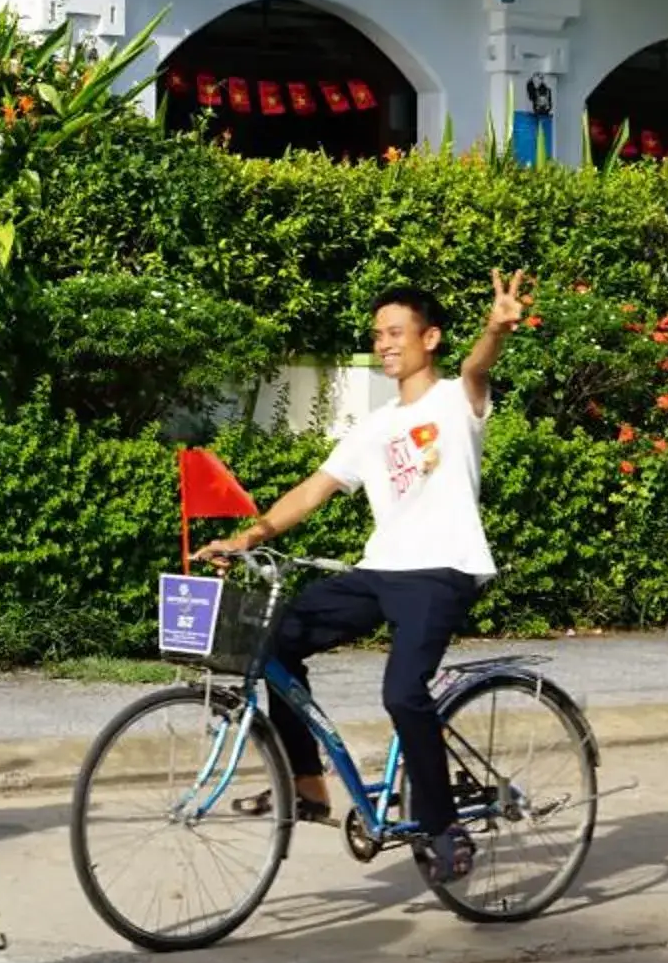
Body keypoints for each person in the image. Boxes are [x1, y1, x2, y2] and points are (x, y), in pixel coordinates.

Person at [197, 271, 534, 887]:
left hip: (442, 571)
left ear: (429, 338)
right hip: (380, 569)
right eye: (378, 334)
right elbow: (314, 491)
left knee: (402, 693)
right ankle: (308, 789)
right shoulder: (375, 426)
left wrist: (495, 328)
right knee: (274, 643)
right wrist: (250, 535)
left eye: (395, 332)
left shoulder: (457, 399)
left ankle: (442, 826)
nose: (384, 343)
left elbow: (480, 367)